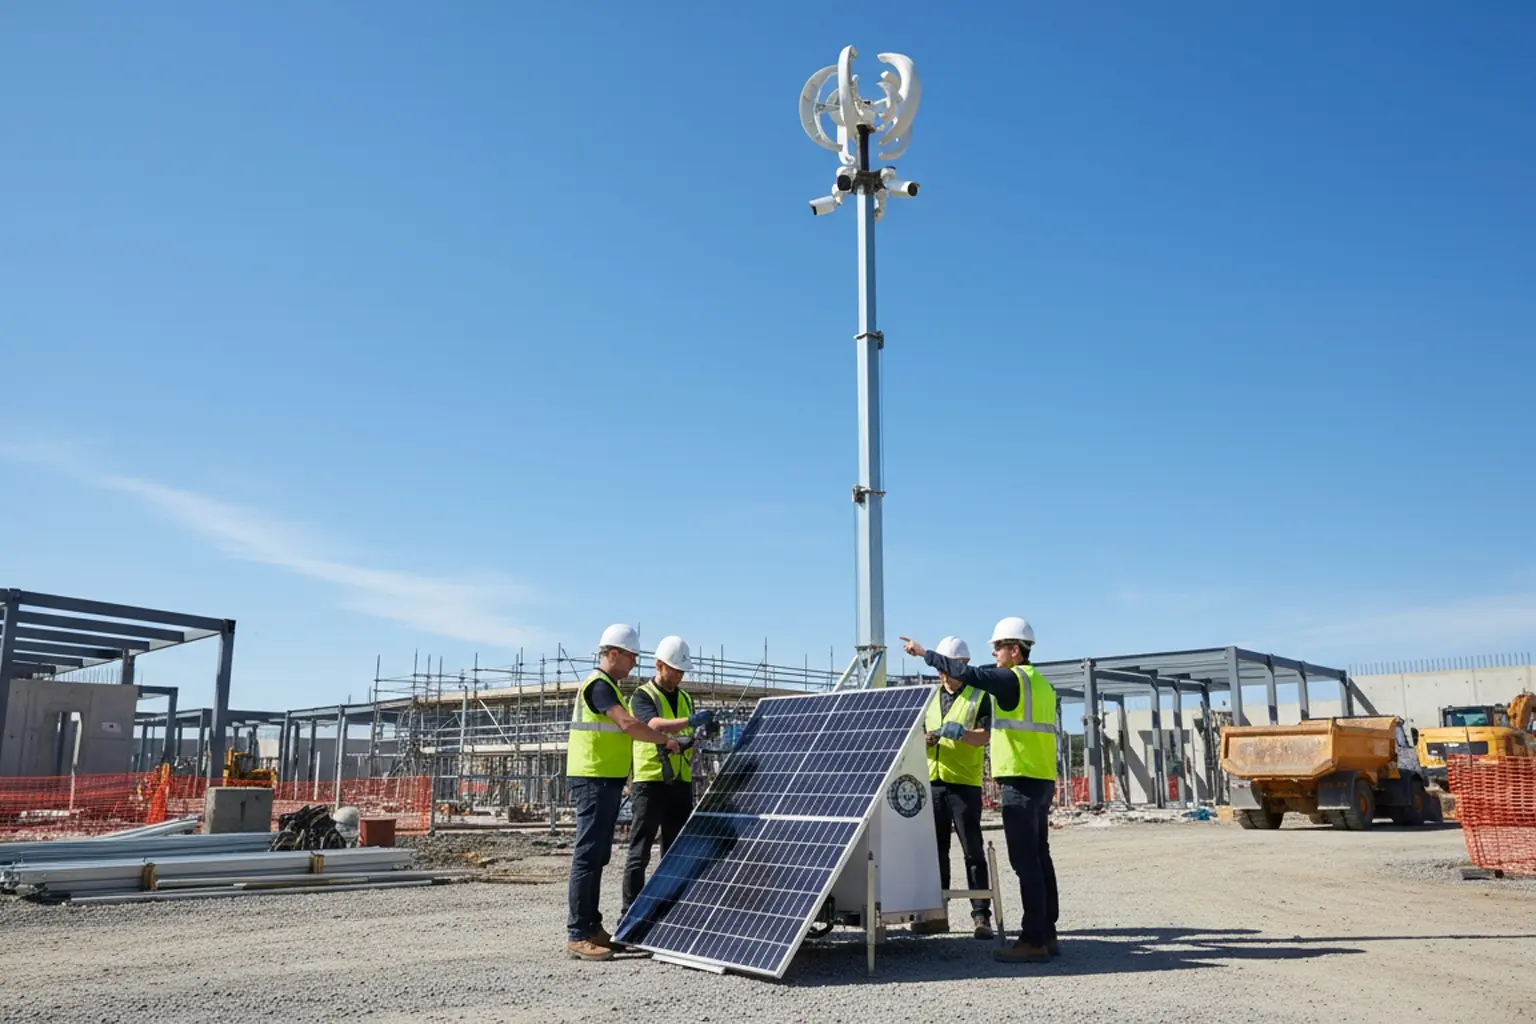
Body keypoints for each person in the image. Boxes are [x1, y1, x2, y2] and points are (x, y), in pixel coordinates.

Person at [901, 617, 1059, 963]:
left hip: (1019, 779)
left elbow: (970, 675)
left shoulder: (1011, 679)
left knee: (1025, 862)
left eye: (998, 647)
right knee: (1040, 858)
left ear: (1014, 650)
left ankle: (1032, 939)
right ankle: (1047, 933)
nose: (993, 652)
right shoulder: (1040, 683)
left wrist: (924, 652)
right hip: (1041, 777)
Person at [565, 624, 682, 962]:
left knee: (599, 855)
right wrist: (666, 740)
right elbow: (628, 726)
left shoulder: (610, 687)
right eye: (631, 657)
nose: (634, 664)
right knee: (588, 855)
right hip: (593, 779)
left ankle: (592, 927)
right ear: (613, 654)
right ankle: (578, 933)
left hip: (607, 779)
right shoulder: (599, 687)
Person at [621, 635, 713, 916]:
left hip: (680, 781)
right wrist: (689, 722)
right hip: (650, 781)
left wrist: (698, 734)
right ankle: (631, 914)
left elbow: (689, 734)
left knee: (675, 853)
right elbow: (653, 724)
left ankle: (671, 915)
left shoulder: (685, 697)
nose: (680, 676)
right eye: (675, 670)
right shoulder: (642, 695)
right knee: (640, 851)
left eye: (682, 671)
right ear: (659, 665)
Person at [910, 635, 994, 940]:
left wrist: (960, 734)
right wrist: (926, 740)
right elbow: (913, 735)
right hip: (933, 783)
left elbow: (985, 736)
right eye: (941, 669)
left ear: (964, 666)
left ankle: (981, 916)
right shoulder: (930, 698)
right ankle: (937, 915)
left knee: (972, 852)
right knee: (936, 853)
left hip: (963, 785)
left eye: (949, 667)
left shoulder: (979, 696)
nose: (943, 673)